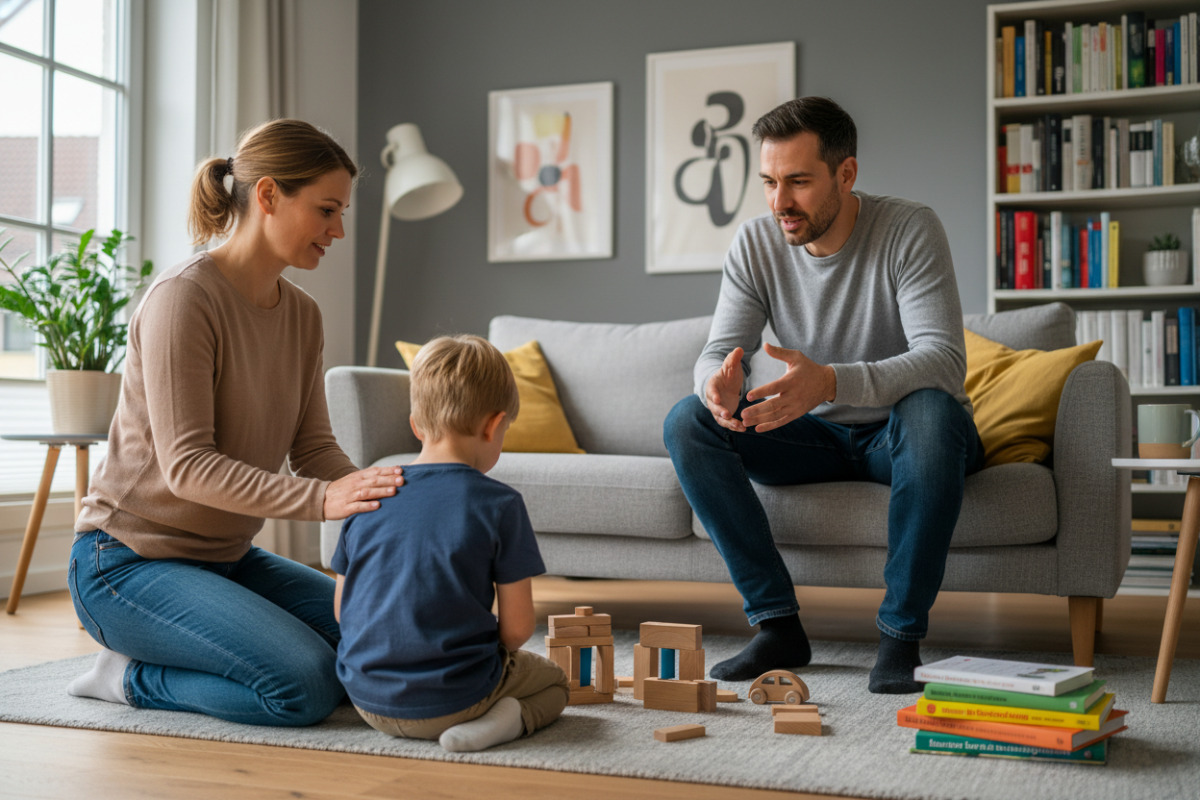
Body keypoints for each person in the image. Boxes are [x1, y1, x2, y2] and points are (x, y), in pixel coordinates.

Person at [66, 119, 406, 725]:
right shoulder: (183, 299)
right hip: (125, 564)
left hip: (227, 558)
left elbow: (314, 449)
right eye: (328, 209)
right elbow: (189, 468)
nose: (340, 230)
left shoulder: (302, 315)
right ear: (269, 195)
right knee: (302, 685)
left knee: (391, 647)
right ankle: (128, 676)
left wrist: (376, 496)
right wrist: (325, 500)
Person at [663, 97, 984, 694]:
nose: (780, 202)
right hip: (812, 436)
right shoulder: (756, 245)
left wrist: (831, 381)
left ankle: (900, 636)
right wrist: (715, 383)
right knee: (687, 422)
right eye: (769, 182)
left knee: (933, 411)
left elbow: (943, 361)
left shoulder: (909, 228)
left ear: (846, 173)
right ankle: (778, 625)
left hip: (904, 436)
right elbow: (715, 352)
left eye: (798, 182)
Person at [332, 335, 568, 752]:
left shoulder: (368, 491)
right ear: (494, 425)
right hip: (457, 700)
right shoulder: (500, 504)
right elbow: (514, 633)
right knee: (554, 683)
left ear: (415, 425)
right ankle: (501, 723)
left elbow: (341, 610)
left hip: (366, 701)